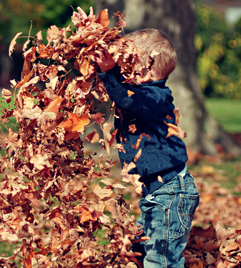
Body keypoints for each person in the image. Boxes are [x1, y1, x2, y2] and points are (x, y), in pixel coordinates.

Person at [74, 7, 200, 268]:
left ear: (145, 70)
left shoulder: (156, 98)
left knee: (160, 260)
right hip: (155, 194)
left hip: (170, 193)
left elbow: (128, 99)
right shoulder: (141, 93)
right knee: (139, 250)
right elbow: (123, 92)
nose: (121, 69)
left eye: (126, 64)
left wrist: (109, 74)